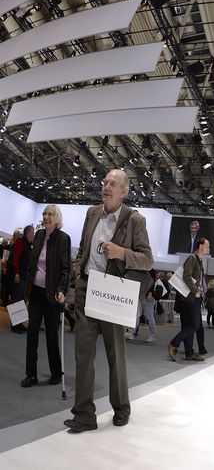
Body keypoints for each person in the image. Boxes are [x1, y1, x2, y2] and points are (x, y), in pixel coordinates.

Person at [65, 169, 154, 433]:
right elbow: (83, 249)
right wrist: (78, 272)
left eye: (112, 184)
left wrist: (122, 253)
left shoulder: (135, 220)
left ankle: (122, 407)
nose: (106, 187)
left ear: (124, 191)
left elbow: (147, 259)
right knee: (83, 354)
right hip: (87, 289)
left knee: (115, 354)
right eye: (105, 182)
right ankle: (84, 415)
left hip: (113, 293)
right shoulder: (92, 213)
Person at [21, 207, 71, 388]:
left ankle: (56, 372)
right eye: (44, 214)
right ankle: (31, 374)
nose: (46, 217)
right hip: (35, 293)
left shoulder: (62, 238)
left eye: (50, 214)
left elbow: (66, 269)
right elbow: (32, 265)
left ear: (57, 219)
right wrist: (26, 291)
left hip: (52, 296)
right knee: (32, 332)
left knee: (51, 335)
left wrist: (62, 290)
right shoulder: (40, 235)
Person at [168, 238, 209, 362]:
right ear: (200, 246)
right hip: (190, 297)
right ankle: (173, 344)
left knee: (188, 325)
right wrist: (196, 291)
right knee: (195, 324)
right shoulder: (192, 258)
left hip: (191, 298)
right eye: (207, 246)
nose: (208, 248)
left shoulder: (199, 260)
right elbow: (186, 276)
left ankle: (189, 353)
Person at [10, 225, 34, 333]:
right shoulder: (20, 242)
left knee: (22, 300)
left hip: (26, 277)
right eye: (33, 233)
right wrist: (17, 273)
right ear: (28, 233)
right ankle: (14, 325)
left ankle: (19, 323)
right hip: (19, 276)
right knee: (16, 300)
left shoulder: (29, 245)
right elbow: (15, 258)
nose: (33, 235)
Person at [126, 268, 158, 343]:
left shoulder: (151, 270)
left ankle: (152, 335)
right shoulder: (139, 269)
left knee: (149, 317)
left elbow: (152, 281)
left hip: (148, 297)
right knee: (137, 315)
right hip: (140, 295)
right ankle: (131, 332)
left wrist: (150, 293)